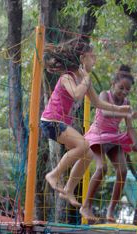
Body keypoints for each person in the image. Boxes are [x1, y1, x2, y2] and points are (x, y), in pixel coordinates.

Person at [41, 38, 131, 207]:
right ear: (82, 59)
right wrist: (86, 80)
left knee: (88, 153)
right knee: (83, 145)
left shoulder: (84, 79)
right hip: (50, 121)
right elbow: (76, 94)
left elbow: (98, 103)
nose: (95, 60)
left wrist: (121, 110)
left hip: (59, 123)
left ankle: (68, 189)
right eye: (92, 57)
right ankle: (53, 174)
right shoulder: (67, 77)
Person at [78, 65, 137, 221]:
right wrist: (125, 110)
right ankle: (86, 206)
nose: (124, 92)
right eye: (121, 88)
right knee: (102, 168)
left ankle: (111, 210)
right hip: (97, 136)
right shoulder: (104, 95)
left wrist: (135, 141)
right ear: (113, 84)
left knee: (123, 170)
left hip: (113, 138)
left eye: (127, 90)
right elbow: (105, 111)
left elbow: (130, 126)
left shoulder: (126, 101)